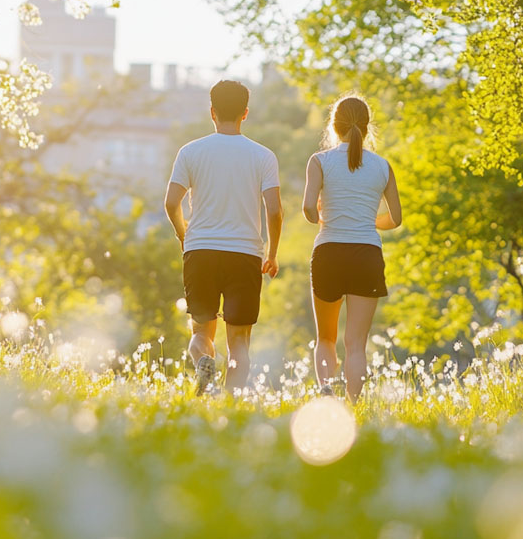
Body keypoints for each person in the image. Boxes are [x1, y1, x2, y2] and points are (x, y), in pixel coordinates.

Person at [164, 80, 282, 395]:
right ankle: (229, 405)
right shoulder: (263, 156)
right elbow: (274, 211)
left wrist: (183, 235)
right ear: (245, 113)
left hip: (200, 250)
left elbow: (171, 203)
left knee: (201, 332)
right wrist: (271, 253)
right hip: (245, 254)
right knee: (239, 342)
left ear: (212, 112)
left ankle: (203, 362)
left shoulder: (190, 151)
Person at [302, 94, 402, 402]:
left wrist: (321, 214)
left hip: (329, 252)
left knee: (326, 338)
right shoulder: (382, 166)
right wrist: (369, 221)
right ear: (368, 126)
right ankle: (354, 405)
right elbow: (395, 219)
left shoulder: (319, 161)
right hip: (366, 255)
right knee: (356, 343)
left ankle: (326, 394)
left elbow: (308, 209)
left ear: (334, 125)